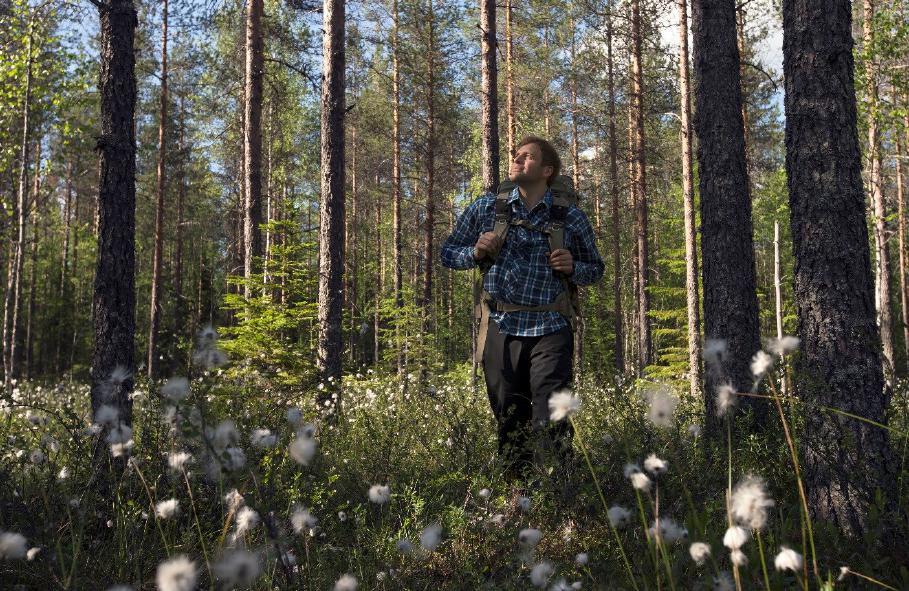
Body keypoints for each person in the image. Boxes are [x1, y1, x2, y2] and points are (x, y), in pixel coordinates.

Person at [440, 136, 605, 480]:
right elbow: (448, 253)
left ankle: (564, 492)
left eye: (526, 157)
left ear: (547, 171)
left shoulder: (571, 219)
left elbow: (596, 270)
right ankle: (517, 496)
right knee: (508, 417)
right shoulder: (487, 208)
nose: (516, 159)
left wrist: (573, 266)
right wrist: (474, 252)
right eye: (515, 155)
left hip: (551, 327)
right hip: (501, 325)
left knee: (552, 415)